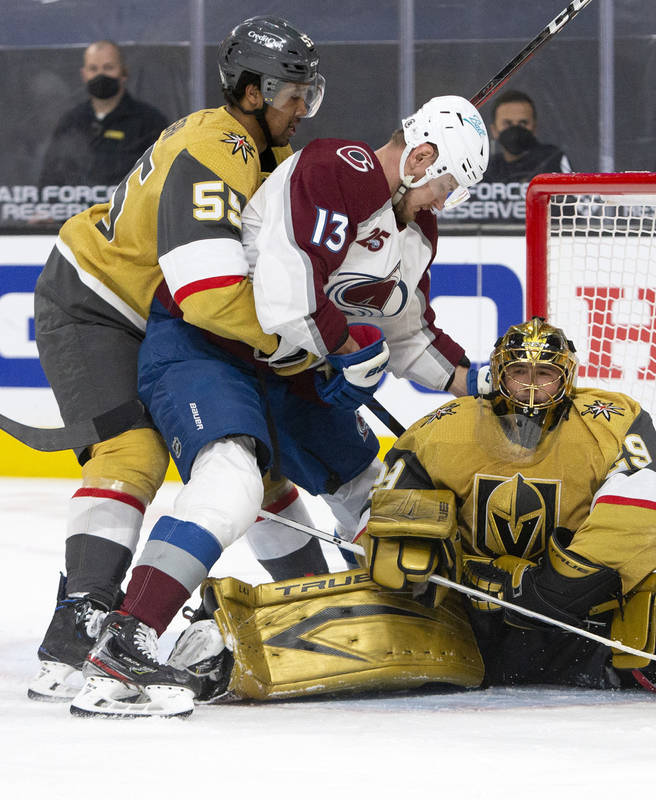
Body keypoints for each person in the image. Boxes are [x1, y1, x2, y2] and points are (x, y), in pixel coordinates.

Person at [162, 318, 656, 706]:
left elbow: (651, 511)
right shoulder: (444, 428)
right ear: (499, 376)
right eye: (520, 372)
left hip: (584, 616)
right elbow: (387, 525)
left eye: (546, 373)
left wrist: (555, 584)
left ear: (569, 378)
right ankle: (232, 646)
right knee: (371, 618)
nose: (532, 386)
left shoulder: (611, 418)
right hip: (468, 617)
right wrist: (423, 567)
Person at [66, 95, 492, 719]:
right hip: (208, 349)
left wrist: (478, 381)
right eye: (448, 188)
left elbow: (408, 336)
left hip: (293, 372)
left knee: (373, 493)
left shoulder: (415, 233)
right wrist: (349, 351)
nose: (444, 204)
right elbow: (287, 294)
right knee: (232, 479)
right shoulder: (337, 169)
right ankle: (126, 639)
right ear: (422, 158)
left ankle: (393, 625)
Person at [28, 15, 326, 706]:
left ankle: (313, 601)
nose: (299, 108)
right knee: (132, 456)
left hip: (159, 319)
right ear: (250, 93)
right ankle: (78, 632)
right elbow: (211, 296)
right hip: (96, 302)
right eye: (289, 93)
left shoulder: (251, 147)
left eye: (308, 95)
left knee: (247, 458)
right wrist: (292, 343)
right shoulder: (220, 150)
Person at [38, 40, 168, 189]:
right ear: (84, 74)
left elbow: (162, 179)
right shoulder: (71, 122)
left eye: (108, 68)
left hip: (128, 211)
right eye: (93, 69)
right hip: (79, 211)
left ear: (124, 73)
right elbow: (50, 178)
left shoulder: (150, 122)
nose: (100, 75)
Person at [480, 89, 571, 183]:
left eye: (523, 123)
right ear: (494, 130)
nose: (515, 129)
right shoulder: (482, 171)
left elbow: (573, 195)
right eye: (508, 123)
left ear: (534, 128)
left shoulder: (553, 161)